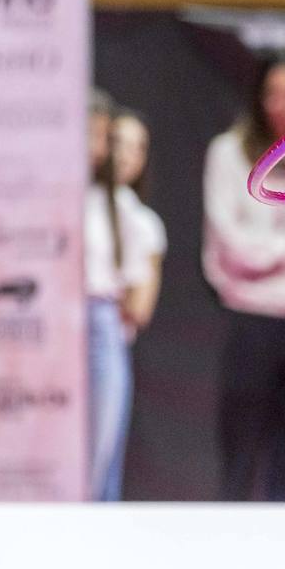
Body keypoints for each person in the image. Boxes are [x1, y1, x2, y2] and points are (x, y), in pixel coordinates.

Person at [202, 56, 285, 501]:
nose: (284, 105)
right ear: (258, 97)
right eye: (274, 93)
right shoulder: (228, 152)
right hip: (250, 318)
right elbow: (231, 245)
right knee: (241, 453)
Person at [84, 90, 152, 501]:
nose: (96, 147)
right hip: (55, 328)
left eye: (101, 137)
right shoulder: (54, 197)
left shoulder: (121, 205)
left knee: (101, 453)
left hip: (102, 325)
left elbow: (139, 297)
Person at [111, 108, 167, 340]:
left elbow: (140, 308)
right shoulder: (73, 207)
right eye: (117, 143)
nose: (125, 156)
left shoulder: (146, 224)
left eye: (137, 148)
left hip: (113, 338)